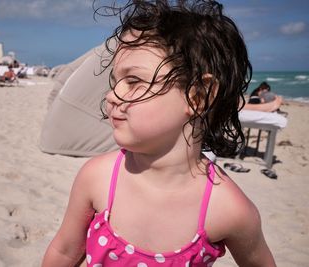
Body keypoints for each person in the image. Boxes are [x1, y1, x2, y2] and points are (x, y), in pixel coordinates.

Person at [42, 1, 276, 266]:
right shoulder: (97, 177)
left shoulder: (228, 209)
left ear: (198, 97)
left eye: (133, 81)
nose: (112, 95)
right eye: (115, 81)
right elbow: (64, 252)